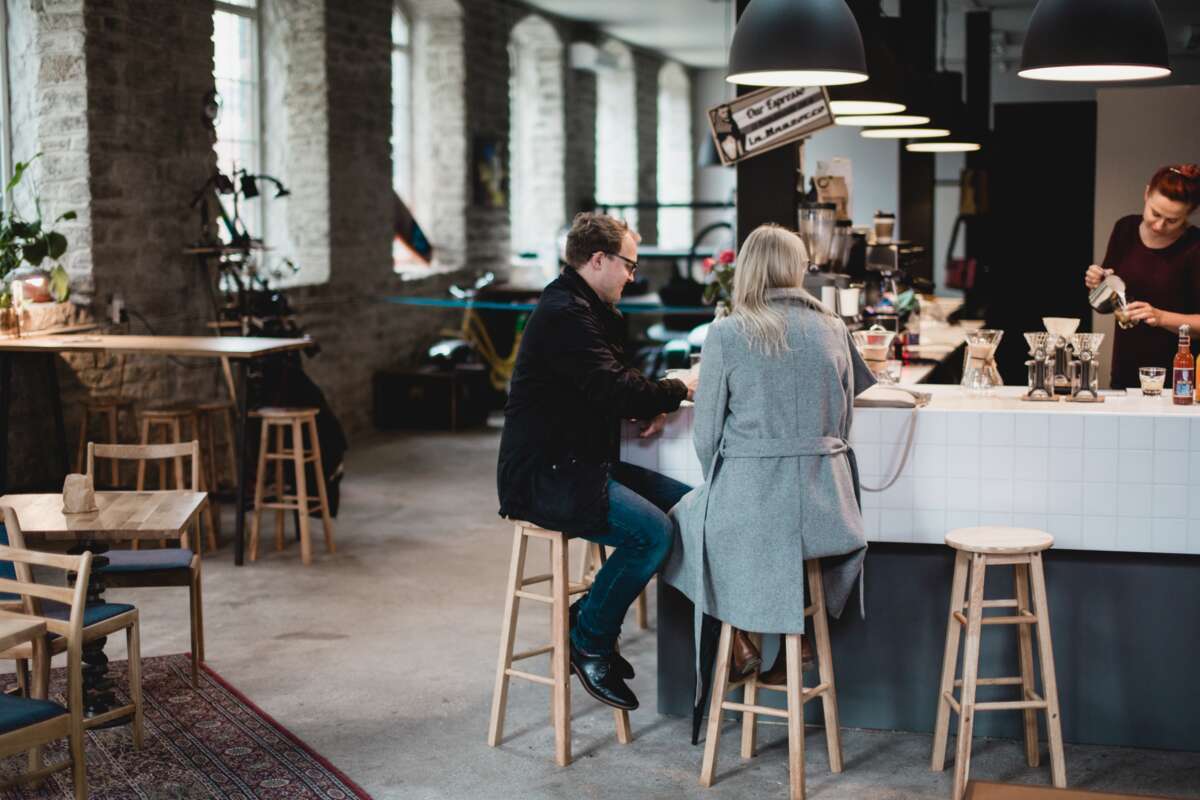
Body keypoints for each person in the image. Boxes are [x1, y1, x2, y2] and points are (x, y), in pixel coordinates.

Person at [497, 212, 700, 711]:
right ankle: (589, 640)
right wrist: (676, 388)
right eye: (629, 265)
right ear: (598, 259)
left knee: (691, 507)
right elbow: (615, 387)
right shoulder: (565, 313)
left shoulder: (586, 308)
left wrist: (648, 402)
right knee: (653, 533)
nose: (632, 275)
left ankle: (585, 619)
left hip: (583, 461)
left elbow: (606, 386)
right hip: (548, 474)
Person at [663, 224, 873, 688]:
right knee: (765, 535)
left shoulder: (726, 333)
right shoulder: (834, 328)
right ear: (796, 269)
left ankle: (741, 637)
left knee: (681, 525)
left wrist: (720, 483)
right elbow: (844, 420)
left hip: (753, 504)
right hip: (830, 508)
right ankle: (801, 641)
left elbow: (706, 434)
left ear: (748, 270)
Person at [1084, 164, 1200, 388]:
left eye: (1172, 220)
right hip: (1126, 368)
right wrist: (1097, 285)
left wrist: (1161, 317)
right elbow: (1106, 305)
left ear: (1188, 214)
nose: (1159, 225)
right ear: (1146, 194)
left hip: (1178, 377)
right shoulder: (1125, 229)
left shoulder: (1195, 247)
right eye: (1155, 213)